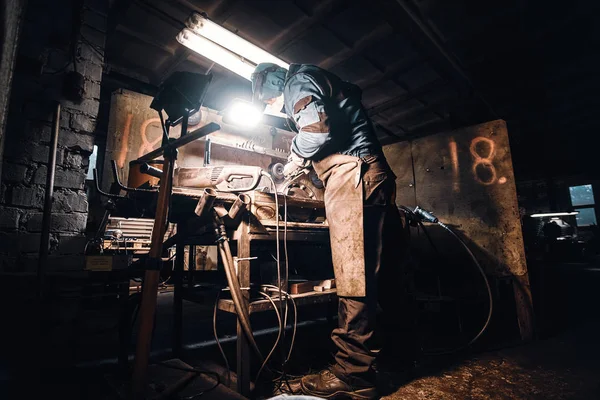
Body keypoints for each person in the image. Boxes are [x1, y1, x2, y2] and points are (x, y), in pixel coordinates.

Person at [251, 63, 412, 399]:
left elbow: (315, 131)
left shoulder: (296, 81)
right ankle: (399, 359)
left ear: (271, 84)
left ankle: (353, 376)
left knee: (355, 278)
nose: (272, 107)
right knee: (386, 279)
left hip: (354, 176)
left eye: (267, 101)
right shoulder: (321, 79)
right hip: (371, 174)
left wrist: (294, 160)